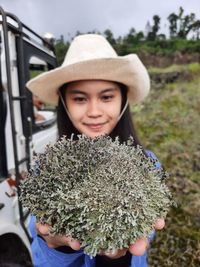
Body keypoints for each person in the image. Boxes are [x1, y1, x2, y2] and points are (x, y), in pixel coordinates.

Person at [26, 34, 165, 267]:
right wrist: (57, 243)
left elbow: (145, 235)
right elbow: (41, 247)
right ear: (64, 104)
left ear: (122, 101)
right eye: (80, 99)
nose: (94, 111)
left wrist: (119, 251)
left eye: (106, 97)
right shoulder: (46, 167)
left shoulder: (146, 163)